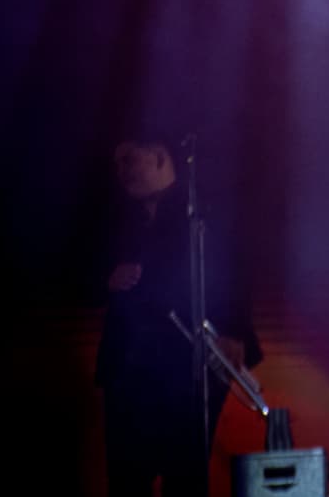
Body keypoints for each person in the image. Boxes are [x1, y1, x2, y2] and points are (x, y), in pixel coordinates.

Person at [94, 127, 262, 497]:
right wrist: (107, 278)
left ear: (159, 158)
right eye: (117, 163)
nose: (122, 170)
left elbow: (235, 271)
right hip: (129, 367)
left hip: (190, 360)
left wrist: (233, 331)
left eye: (130, 159)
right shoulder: (117, 219)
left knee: (184, 475)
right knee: (127, 477)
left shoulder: (203, 212)